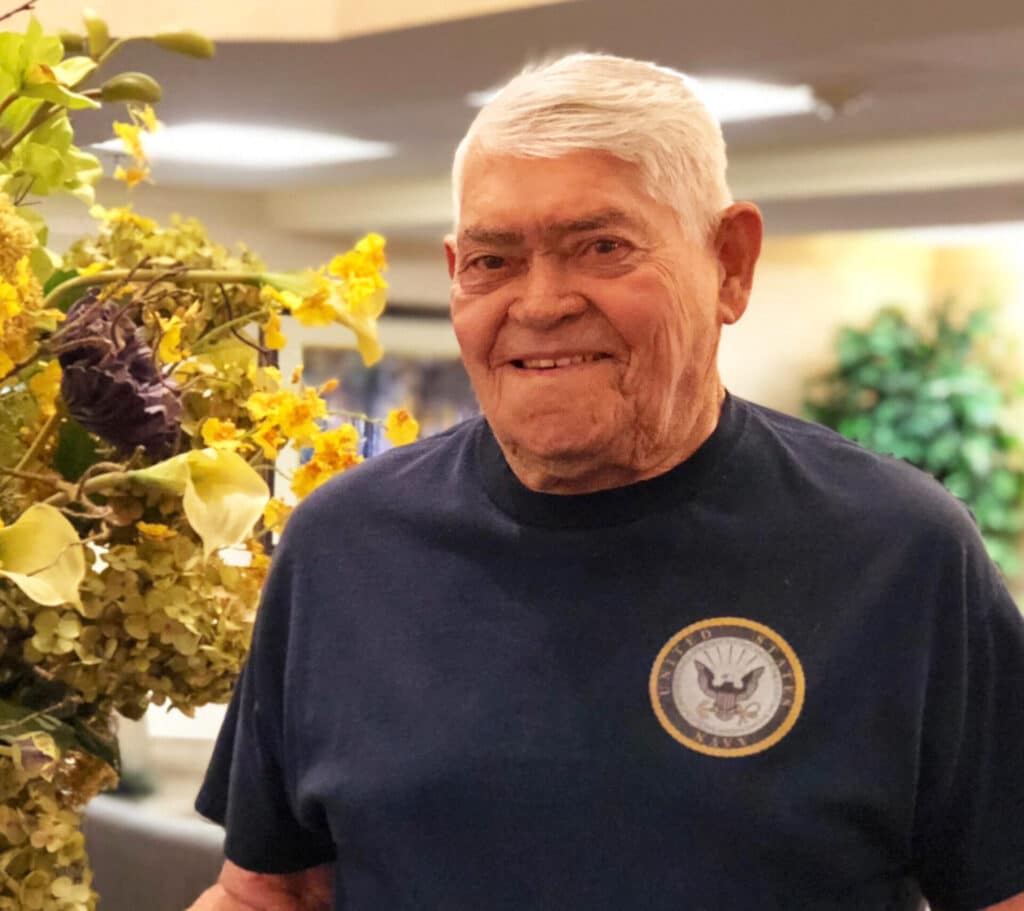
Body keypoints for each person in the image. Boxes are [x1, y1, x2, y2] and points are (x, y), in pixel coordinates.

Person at [189, 53, 1024, 911]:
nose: (540, 303)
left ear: (730, 263)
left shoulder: (899, 552)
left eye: (602, 247)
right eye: (492, 260)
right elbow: (268, 894)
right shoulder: (342, 545)